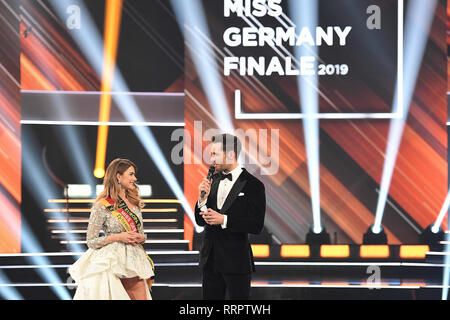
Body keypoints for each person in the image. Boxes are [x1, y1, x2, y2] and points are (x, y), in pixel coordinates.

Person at [69, 158, 155, 300]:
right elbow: (91, 241)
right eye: (131, 174)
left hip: (134, 259)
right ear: (118, 176)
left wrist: (142, 237)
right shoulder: (102, 205)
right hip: (111, 261)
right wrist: (118, 237)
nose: (135, 178)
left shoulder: (134, 202)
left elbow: (140, 233)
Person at [195, 133, 266, 300]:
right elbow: (200, 220)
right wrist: (201, 200)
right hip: (210, 261)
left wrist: (224, 220)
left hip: (236, 262)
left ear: (231, 154)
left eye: (215, 154)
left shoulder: (253, 185)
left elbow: (256, 225)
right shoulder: (212, 181)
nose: (211, 159)